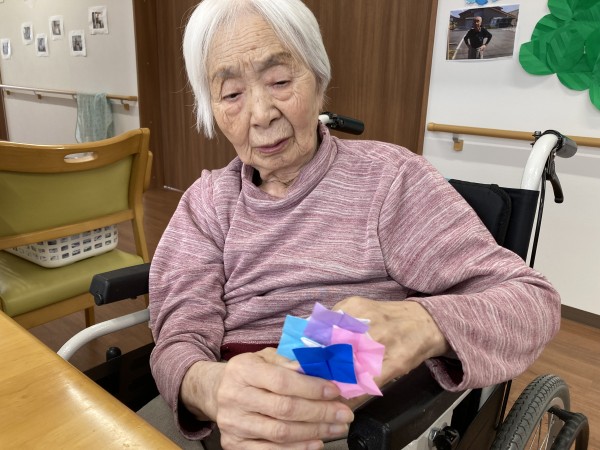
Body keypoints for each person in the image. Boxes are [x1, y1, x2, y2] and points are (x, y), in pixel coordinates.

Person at [143, 0, 560, 449]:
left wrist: (421, 323)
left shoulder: (388, 179)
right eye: (231, 94)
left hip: (344, 407)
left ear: (318, 80)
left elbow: (532, 303)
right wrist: (210, 387)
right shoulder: (207, 200)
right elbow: (178, 335)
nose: (261, 113)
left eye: (279, 81)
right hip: (221, 399)